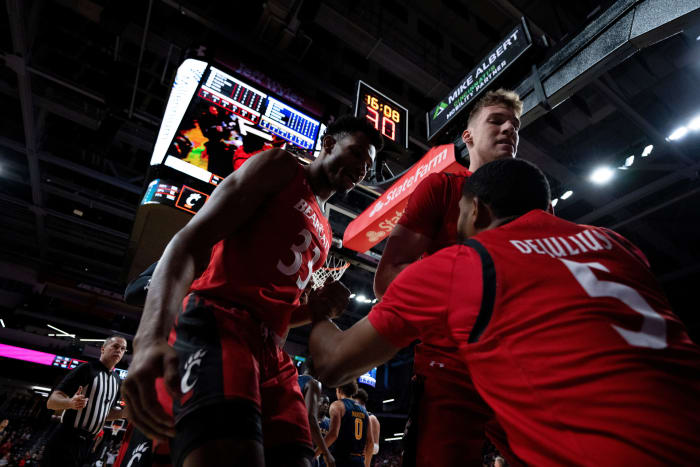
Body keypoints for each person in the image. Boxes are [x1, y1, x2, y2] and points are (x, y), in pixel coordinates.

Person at [310, 158, 700, 464]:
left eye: (461, 214)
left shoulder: (462, 263)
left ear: (475, 211)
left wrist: (311, 303)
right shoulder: (619, 245)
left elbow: (334, 365)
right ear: (545, 206)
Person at [123, 115, 383, 467]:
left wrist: (315, 309)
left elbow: (275, 311)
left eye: (368, 165)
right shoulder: (281, 167)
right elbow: (189, 241)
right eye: (355, 153)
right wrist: (149, 338)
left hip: (271, 351)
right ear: (327, 144)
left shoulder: (325, 230)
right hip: (219, 323)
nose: (361, 167)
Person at [373, 88, 522, 465]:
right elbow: (387, 278)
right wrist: (466, 290)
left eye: (515, 125)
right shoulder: (441, 188)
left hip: (520, 364)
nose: (510, 129)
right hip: (450, 365)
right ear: (467, 137)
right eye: (497, 120)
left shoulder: (535, 204)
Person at [44, 335, 128, 467]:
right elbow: (51, 402)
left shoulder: (117, 381)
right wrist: (70, 403)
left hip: (88, 445)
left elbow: (104, 413)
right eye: (115, 346)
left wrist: (123, 414)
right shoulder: (87, 369)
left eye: (123, 349)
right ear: (103, 349)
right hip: (66, 439)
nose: (119, 351)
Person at [322, 382, 371, 467]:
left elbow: (333, 435)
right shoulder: (365, 412)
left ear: (339, 390)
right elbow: (370, 442)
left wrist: (316, 452)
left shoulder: (337, 405)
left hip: (342, 459)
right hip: (359, 461)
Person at [298, 360, 335, 467]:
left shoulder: (292, 378)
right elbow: (310, 418)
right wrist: (326, 453)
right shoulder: (314, 383)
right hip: (297, 441)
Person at [352, 389, 379, 467]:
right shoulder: (355, 417)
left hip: (366, 462)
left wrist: (359, 446)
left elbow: (376, 448)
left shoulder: (371, 418)